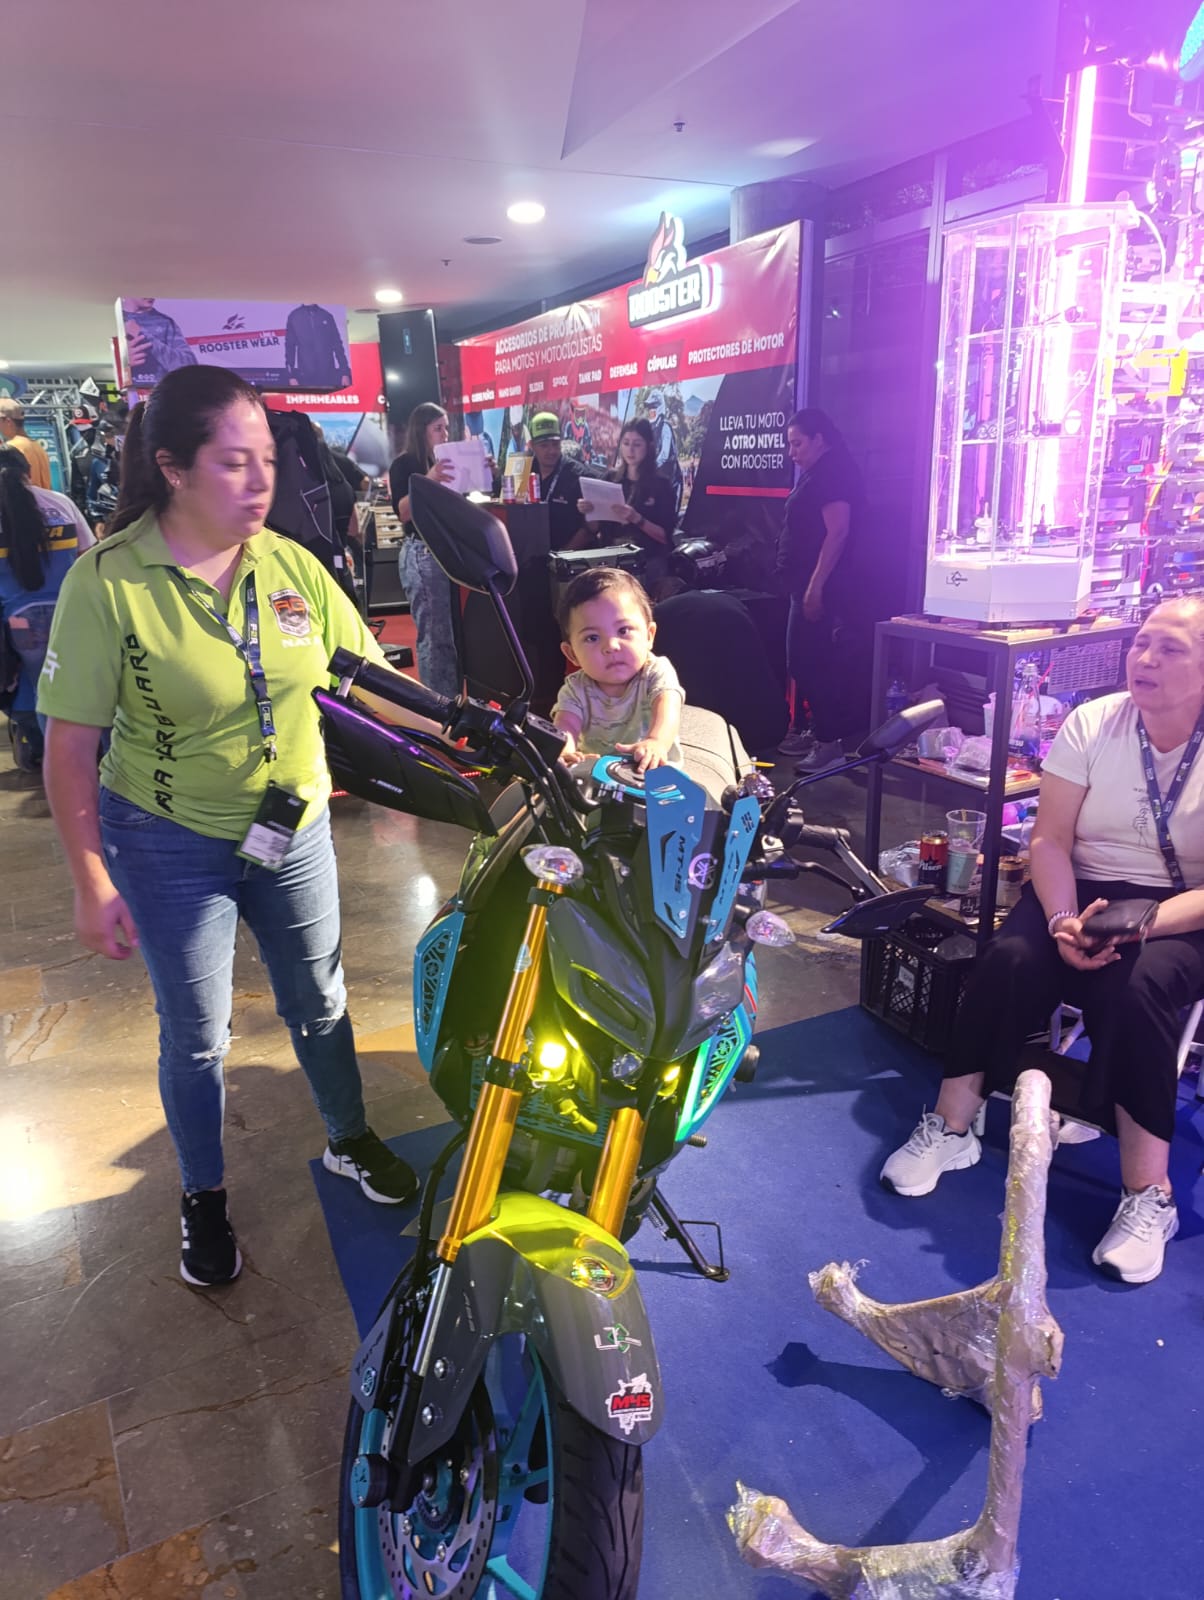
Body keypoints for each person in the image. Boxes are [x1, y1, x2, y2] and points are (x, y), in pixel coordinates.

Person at [37, 364, 424, 1290]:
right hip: (167, 840)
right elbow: (69, 747)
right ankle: (202, 1195)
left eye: (267, 462)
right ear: (173, 468)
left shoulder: (291, 564)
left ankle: (347, 1138)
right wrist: (90, 879)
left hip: (293, 828)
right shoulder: (109, 581)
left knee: (320, 1000)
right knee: (197, 1035)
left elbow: (374, 682)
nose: (260, 483)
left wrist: (482, 730)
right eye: (233, 462)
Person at [879, 598, 1204, 1286]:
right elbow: (1049, 840)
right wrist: (1062, 920)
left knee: (1139, 988)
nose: (1146, 659)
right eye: (1141, 643)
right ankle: (952, 1126)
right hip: (1080, 885)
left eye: (1171, 649)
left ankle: (1150, 1194)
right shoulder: (1094, 721)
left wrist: (1144, 923)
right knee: (1010, 958)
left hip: (1180, 908)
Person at [777, 408, 862, 773]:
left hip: (819, 588)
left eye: (797, 444)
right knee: (808, 662)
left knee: (806, 662)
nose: (791, 453)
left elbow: (838, 532)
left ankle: (829, 744)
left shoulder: (833, 473)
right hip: (805, 584)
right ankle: (820, 733)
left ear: (819, 440)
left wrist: (815, 587)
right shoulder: (819, 472)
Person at [1, 447, 87, 769]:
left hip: (19, 624)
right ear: (28, 472)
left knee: (43, 692)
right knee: (82, 686)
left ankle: (56, 760)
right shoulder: (60, 504)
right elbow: (88, 556)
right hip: (70, 616)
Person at [552, 566, 683, 774]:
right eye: (592, 638)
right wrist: (565, 751)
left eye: (623, 630)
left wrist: (656, 741)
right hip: (597, 776)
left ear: (649, 635)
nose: (611, 646)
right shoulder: (576, 689)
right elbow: (566, 724)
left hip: (651, 771)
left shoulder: (655, 672)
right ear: (572, 654)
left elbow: (668, 708)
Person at [387, 403, 460, 699]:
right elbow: (403, 512)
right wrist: (429, 479)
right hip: (422, 552)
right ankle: (436, 704)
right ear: (422, 431)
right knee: (434, 635)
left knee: (450, 635)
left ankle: (452, 699)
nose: (445, 434)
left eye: (446, 428)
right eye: (438, 428)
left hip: (449, 553)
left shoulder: (444, 462)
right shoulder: (405, 464)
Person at [578, 418, 676, 588]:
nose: (630, 450)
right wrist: (590, 511)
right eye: (626, 443)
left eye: (637, 444)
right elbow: (594, 529)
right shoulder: (610, 479)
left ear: (649, 446)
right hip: (613, 561)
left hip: (648, 562)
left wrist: (637, 519)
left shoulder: (661, 484)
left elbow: (664, 536)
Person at [528, 412, 588, 551]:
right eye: (544, 446)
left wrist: (562, 556)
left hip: (568, 557)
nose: (552, 451)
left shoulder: (579, 475)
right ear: (532, 446)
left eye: (555, 444)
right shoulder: (524, 470)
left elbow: (589, 528)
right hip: (530, 556)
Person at [122, 298, 197, 384]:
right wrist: (124, 362)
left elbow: (190, 367)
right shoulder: (116, 319)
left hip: (161, 389)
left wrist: (145, 337)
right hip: (127, 389)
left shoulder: (165, 322)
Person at [0, 399, 52, 489]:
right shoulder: (38, 447)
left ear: (8, 422)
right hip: (43, 497)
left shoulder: (10, 449)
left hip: (24, 497)